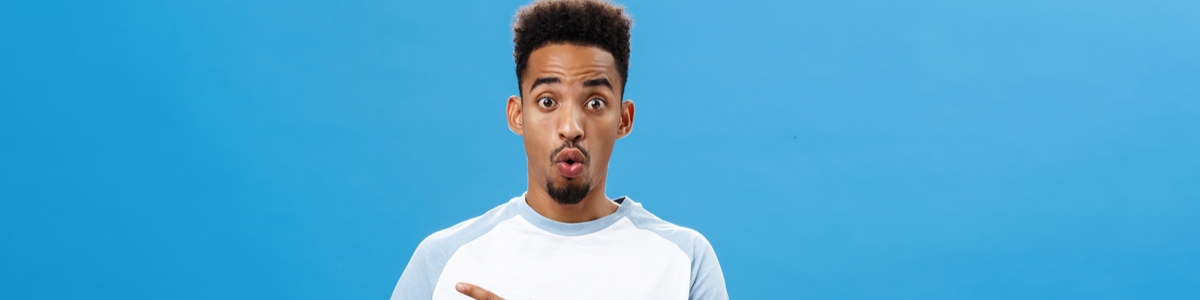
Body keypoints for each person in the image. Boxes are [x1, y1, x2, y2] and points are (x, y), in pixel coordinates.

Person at [390, 0, 727, 299]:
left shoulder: (685, 260)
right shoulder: (443, 261)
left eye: (595, 102)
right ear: (518, 115)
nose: (571, 128)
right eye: (547, 101)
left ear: (623, 120)